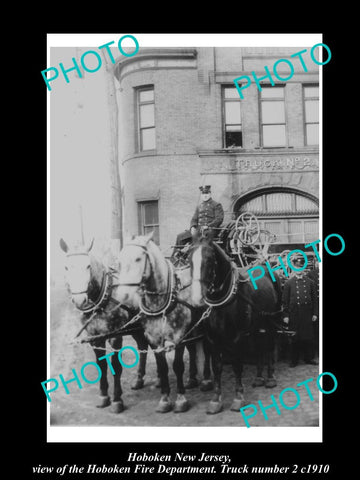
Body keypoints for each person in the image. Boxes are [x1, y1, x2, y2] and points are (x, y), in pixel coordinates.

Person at [282, 254, 318, 367]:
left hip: (307, 313)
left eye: (301, 268)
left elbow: (315, 299)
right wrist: (286, 315)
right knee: (294, 338)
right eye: (297, 268)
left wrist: (315, 313)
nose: (299, 270)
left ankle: (308, 358)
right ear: (294, 268)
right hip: (294, 314)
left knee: (308, 337)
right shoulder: (289, 283)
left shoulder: (310, 282)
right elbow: (284, 301)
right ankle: (294, 360)